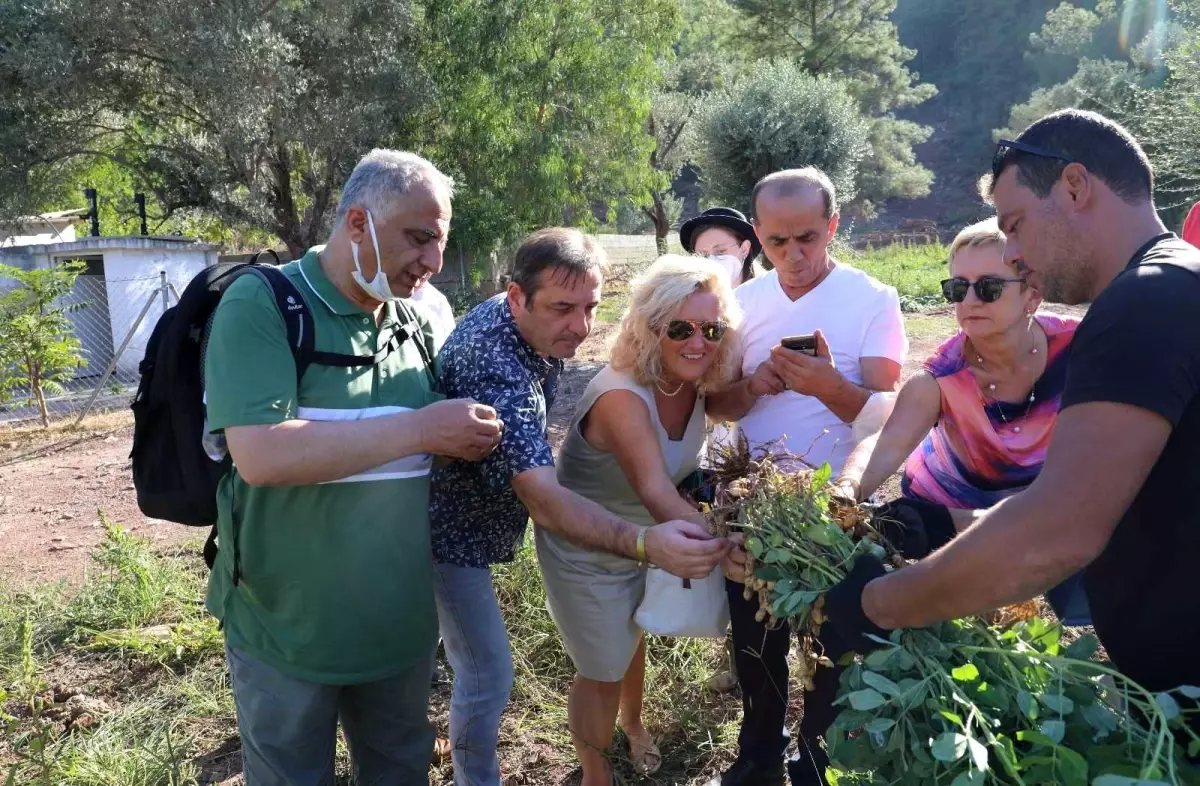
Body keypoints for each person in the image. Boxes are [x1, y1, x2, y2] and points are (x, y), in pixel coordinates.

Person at [819, 109, 1200, 738]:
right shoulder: (1175, 282)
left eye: (1016, 225)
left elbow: (1059, 526)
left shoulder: (1142, 302)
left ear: (1075, 187)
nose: (1016, 253)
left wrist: (878, 602)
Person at [202, 149, 505, 786]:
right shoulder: (263, 304)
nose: (434, 262)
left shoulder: (423, 319)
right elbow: (260, 455)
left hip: (399, 629)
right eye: (419, 239)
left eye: (441, 242)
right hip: (287, 628)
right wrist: (423, 428)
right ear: (359, 224)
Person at [428, 227, 732, 786]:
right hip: (454, 530)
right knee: (487, 672)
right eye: (563, 308)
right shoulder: (501, 369)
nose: (581, 326)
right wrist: (670, 541)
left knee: (626, 638)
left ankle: (628, 729)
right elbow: (544, 499)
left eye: (590, 306)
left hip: (581, 525)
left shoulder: (531, 322)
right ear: (516, 296)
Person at [704, 167, 908, 786]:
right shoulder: (739, 303)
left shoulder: (873, 299)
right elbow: (716, 404)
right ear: (756, 238)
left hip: (839, 501)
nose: (793, 255)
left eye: (808, 238)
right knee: (755, 647)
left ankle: (817, 760)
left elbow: (889, 412)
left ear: (834, 227)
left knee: (837, 645)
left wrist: (828, 386)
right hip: (754, 499)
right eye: (777, 241)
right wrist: (753, 385)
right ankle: (758, 761)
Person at [536, 254, 742, 785]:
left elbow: (725, 413)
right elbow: (654, 491)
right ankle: (594, 774)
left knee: (633, 634)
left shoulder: (691, 377)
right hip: (589, 541)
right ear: (650, 329)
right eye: (680, 328)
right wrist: (732, 543)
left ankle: (633, 726)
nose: (698, 341)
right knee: (601, 666)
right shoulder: (623, 397)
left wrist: (766, 383)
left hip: (653, 537)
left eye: (712, 328)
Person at [833, 217, 1091, 626]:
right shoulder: (940, 377)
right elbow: (886, 443)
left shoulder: (1081, 349)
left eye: (988, 287)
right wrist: (846, 490)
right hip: (939, 516)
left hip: (1036, 509)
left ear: (1033, 295)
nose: (969, 300)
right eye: (957, 288)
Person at [680, 206, 765, 287]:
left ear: (744, 249)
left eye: (720, 251)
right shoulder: (689, 300)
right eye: (703, 255)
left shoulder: (769, 295)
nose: (711, 261)